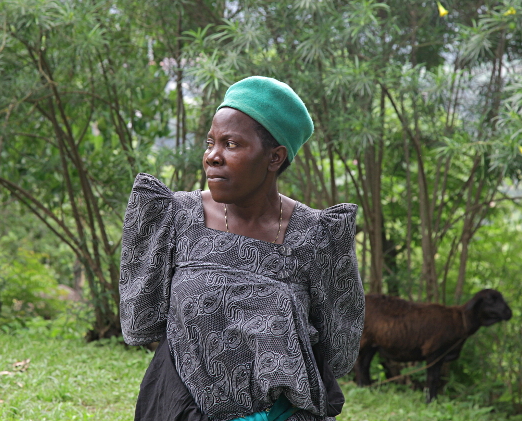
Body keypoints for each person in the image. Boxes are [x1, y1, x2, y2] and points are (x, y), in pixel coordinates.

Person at [120, 76, 365, 421]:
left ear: (274, 157)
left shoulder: (317, 236)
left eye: (231, 144)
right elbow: (140, 323)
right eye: (210, 143)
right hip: (179, 408)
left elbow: (338, 349)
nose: (212, 157)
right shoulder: (175, 217)